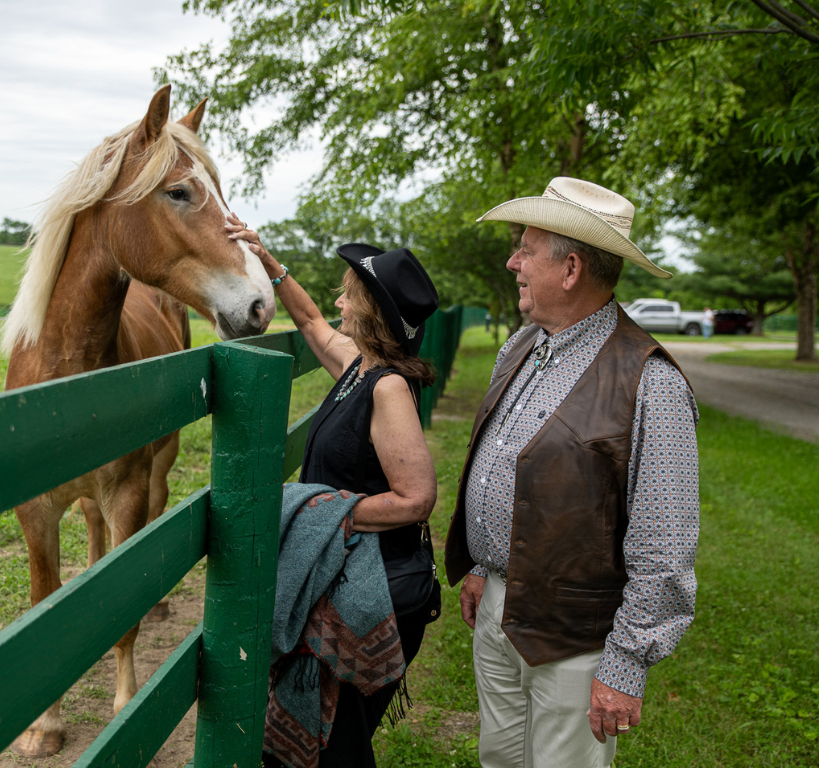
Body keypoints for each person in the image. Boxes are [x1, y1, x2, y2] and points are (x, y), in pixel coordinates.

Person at [444, 177, 699, 768]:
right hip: (500, 610)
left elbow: (664, 544)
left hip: (578, 639)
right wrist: (486, 568)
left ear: (572, 268)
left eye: (526, 249)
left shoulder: (649, 382)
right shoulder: (522, 346)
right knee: (500, 758)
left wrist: (625, 662)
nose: (513, 262)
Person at [226, 215, 441, 767]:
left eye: (348, 297)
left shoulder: (388, 387)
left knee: (338, 748)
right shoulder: (358, 368)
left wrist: (323, 511)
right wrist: (270, 266)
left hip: (380, 587)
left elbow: (416, 498)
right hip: (349, 573)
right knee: (331, 742)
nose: (338, 305)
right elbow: (311, 321)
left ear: (370, 311)